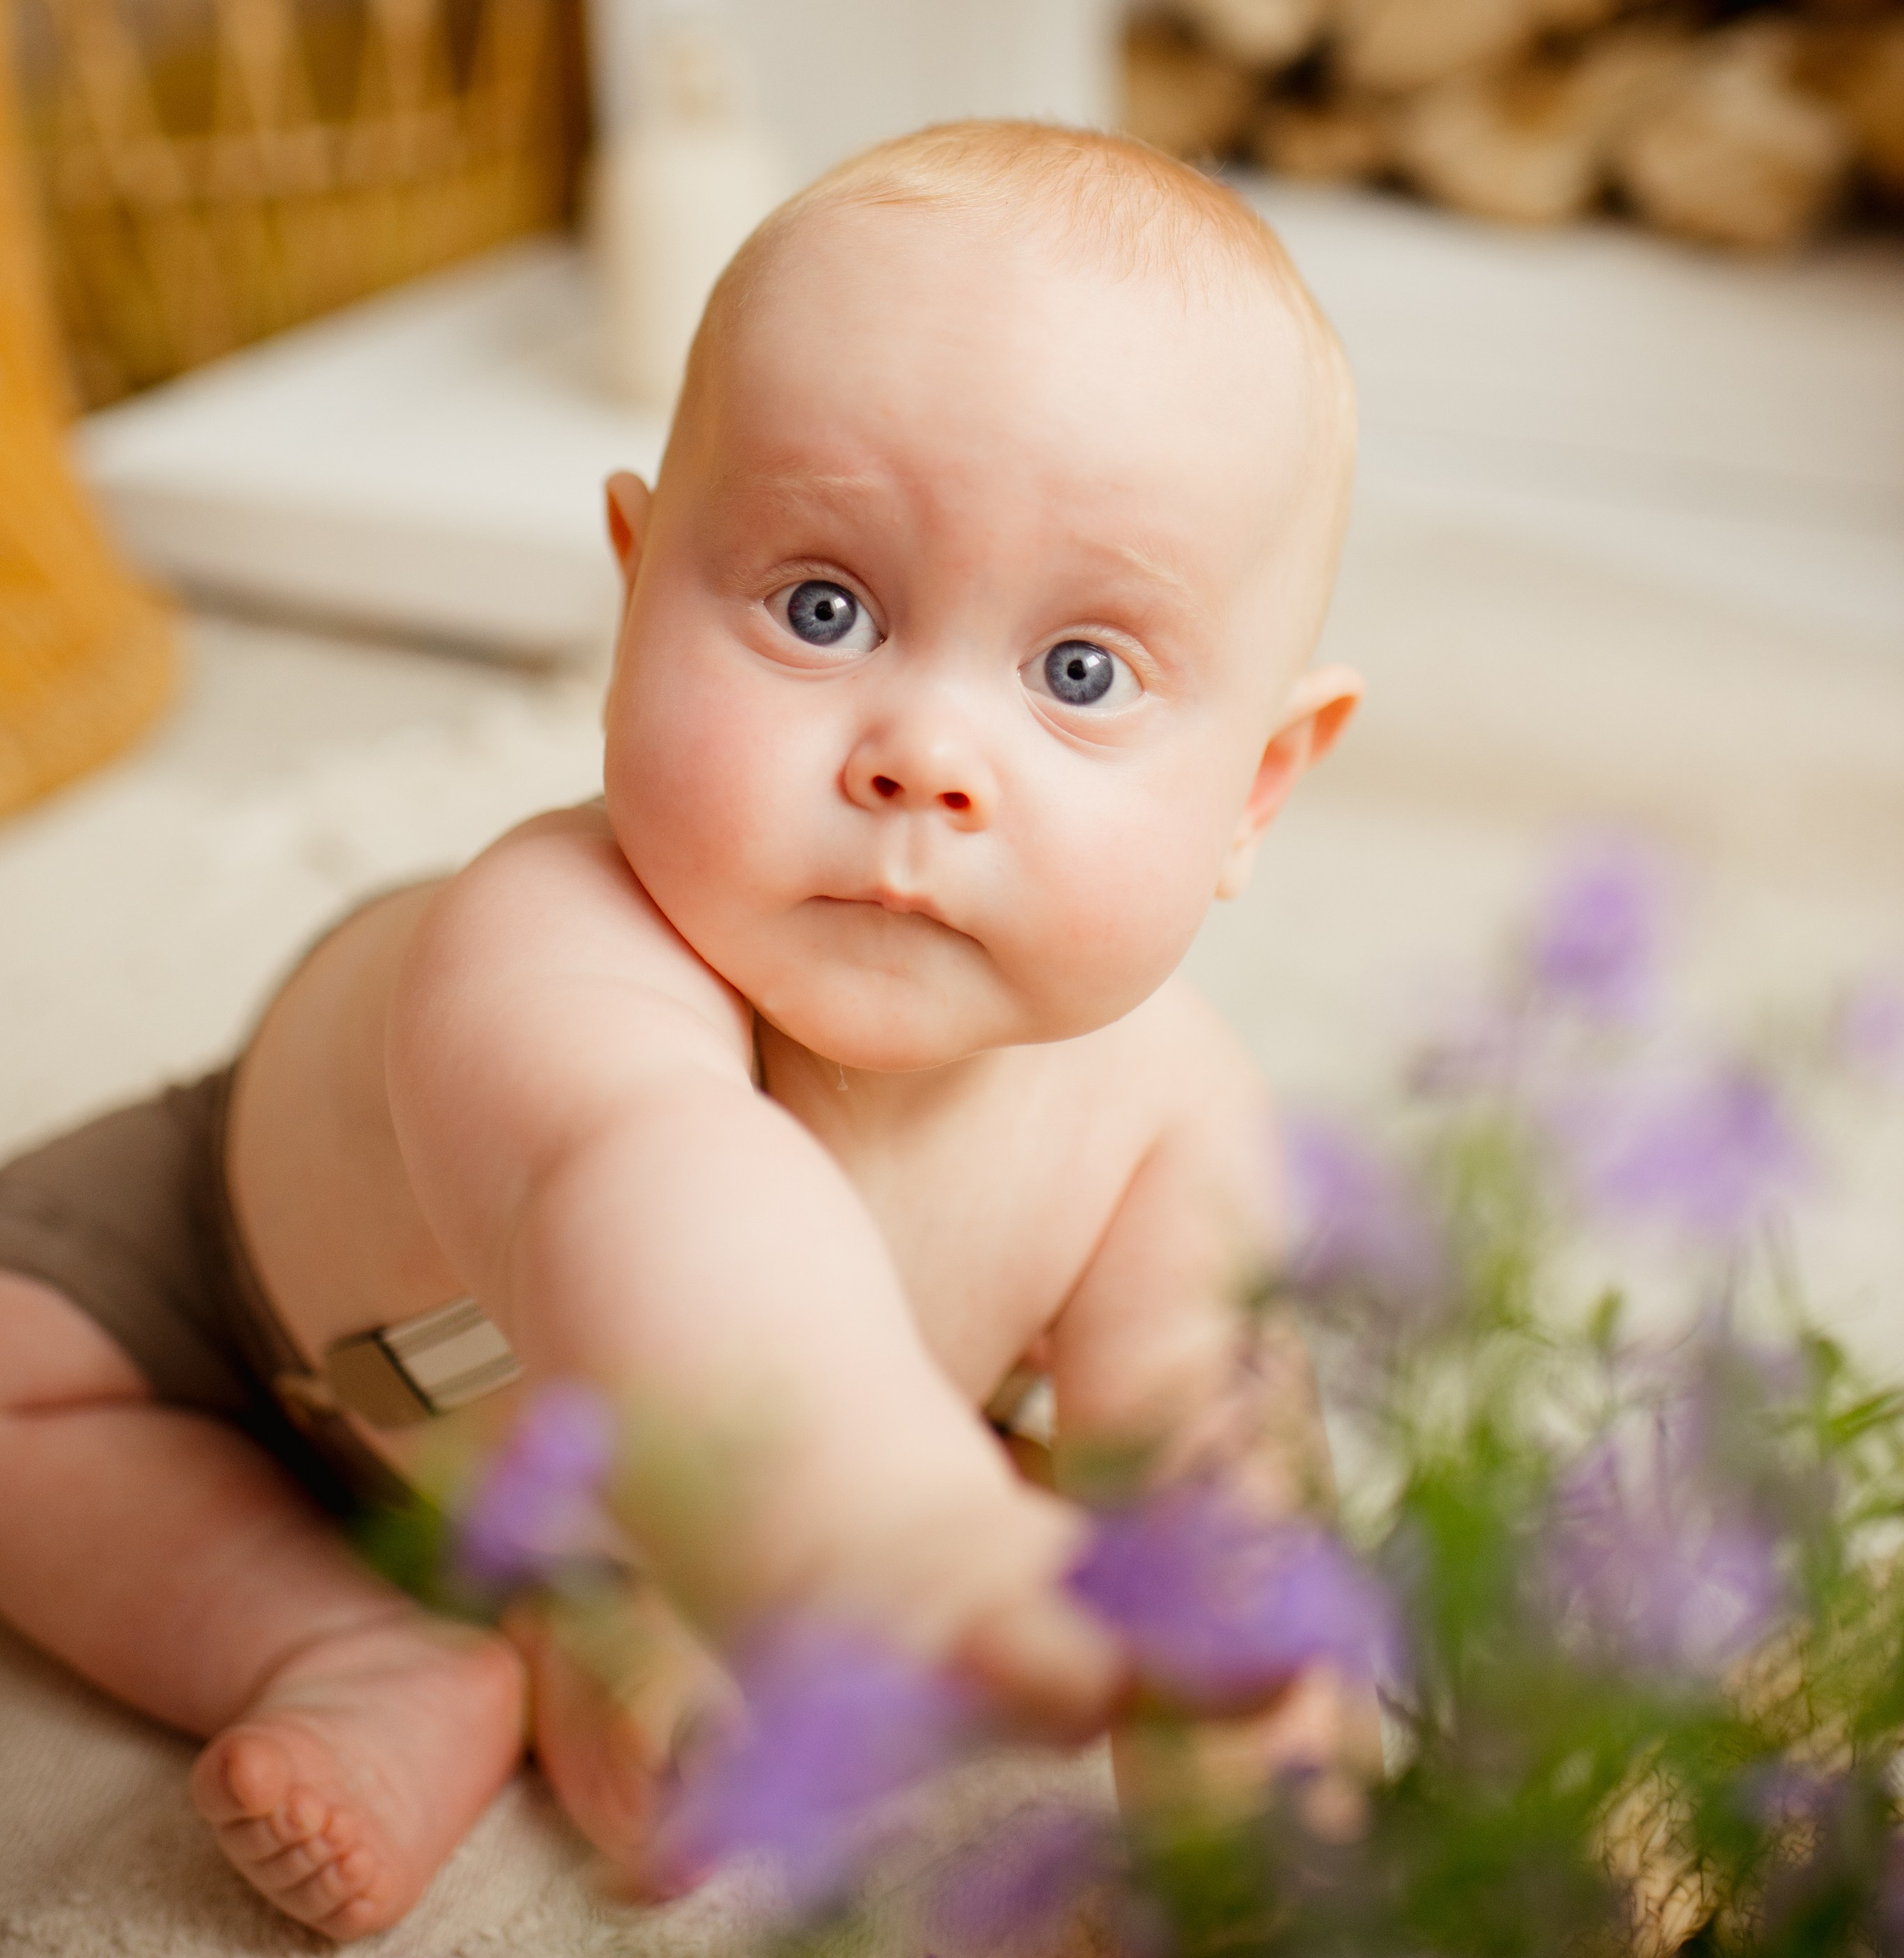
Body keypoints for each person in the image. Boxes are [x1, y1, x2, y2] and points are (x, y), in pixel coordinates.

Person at [0, 121, 1363, 1938]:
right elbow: (651, 1192)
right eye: (822, 606)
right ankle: (343, 1638)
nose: (922, 755)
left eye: (1080, 671)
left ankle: (605, 1613)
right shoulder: (555, 936)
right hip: (260, 1305)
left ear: (1257, 790)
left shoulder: (1171, 1120)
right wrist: (888, 1526)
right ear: (637, 592)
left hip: (667, 1473)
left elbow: (1224, 1565)